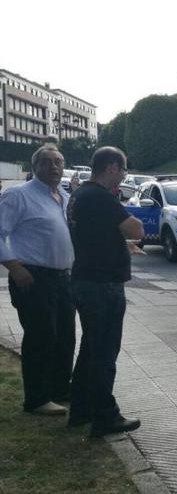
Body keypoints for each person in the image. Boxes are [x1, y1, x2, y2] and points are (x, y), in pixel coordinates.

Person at [67, 146, 145, 437]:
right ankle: (105, 416)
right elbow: (136, 228)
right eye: (123, 169)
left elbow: (95, 236)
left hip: (86, 279)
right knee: (103, 353)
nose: (124, 175)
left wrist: (119, 245)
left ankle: (80, 409)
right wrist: (130, 233)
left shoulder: (79, 195)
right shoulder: (101, 197)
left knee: (89, 349)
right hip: (103, 286)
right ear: (112, 168)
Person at [0, 144, 76, 416]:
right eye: (47, 162)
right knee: (41, 337)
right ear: (35, 167)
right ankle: (36, 398)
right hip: (33, 277)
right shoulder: (18, 195)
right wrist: (15, 267)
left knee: (65, 336)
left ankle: (59, 388)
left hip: (63, 279)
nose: (54, 166)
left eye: (59, 161)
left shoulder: (63, 196)